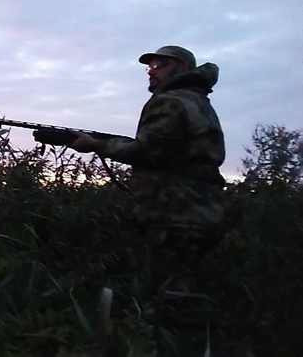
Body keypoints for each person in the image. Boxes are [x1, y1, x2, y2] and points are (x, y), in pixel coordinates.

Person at [33, 45, 226, 351]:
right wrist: (102, 140)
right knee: (189, 291)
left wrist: (95, 146)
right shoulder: (196, 101)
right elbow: (164, 149)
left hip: (173, 214)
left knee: (170, 301)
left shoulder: (171, 102)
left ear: (180, 68)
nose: (151, 70)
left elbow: (147, 151)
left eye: (160, 64)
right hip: (200, 211)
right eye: (150, 66)